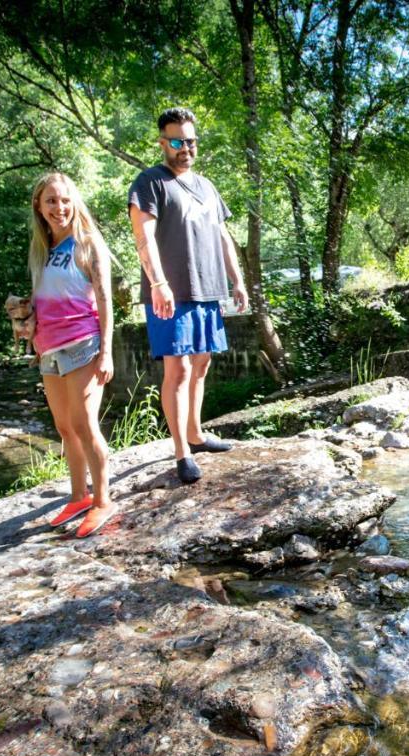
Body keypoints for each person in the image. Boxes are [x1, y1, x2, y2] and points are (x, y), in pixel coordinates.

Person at [127, 107, 249, 484]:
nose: (185, 148)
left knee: (202, 363)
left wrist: (237, 280)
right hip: (172, 293)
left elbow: (223, 236)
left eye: (191, 141)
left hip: (208, 289)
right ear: (163, 143)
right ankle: (181, 452)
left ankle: (196, 434)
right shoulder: (150, 182)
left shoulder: (208, 186)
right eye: (177, 141)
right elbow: (142, 235)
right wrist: (158, 282)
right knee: (176, 370)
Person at [28, 172, 116, 537]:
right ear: (39, 206)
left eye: (64, 200)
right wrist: (26, 318)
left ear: (74, 202)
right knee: (65, 428)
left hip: (84, 345)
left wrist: (107, 350)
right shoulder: (41, 248)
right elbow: (45, 298)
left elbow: (106, 299)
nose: (59, 208)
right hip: (48, 349)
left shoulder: (87, 243)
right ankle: (78, 496)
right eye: (51, 201)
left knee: (84, 424)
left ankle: (103, 501)